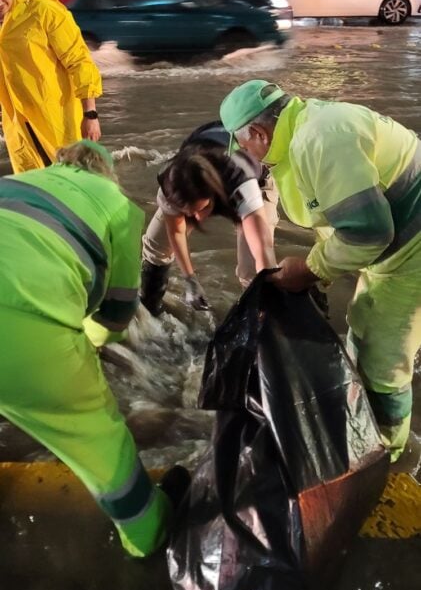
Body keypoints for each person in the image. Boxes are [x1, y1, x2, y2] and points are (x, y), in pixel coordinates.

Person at [0, 139, 186, 557]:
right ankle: (147, 534)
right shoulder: (121, 208)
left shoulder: (17, 181)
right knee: (102, 443)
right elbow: (117, 313)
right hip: (23, 329)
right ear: (107, 173)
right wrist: (88, 345)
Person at [219, 79, 421, 462]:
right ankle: (370, 434)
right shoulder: (298, 135)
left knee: (381, 358)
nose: (247, 156)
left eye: (244, 146)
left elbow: (370, 232)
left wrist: (311, 269)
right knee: (360, 331)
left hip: (412, 245)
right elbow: (338, 220)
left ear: (259, 133)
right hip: (392, 249)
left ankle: (389, 461)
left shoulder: (319, 138)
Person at [140, 121, 279, 315]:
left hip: (255, 183)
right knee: (156, 245)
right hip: (199, 174)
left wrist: (265, 286)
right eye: (187, 213)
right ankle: (149, 309)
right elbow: (176, 230)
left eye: (200, 210)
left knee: (253, 273)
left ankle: (260, 329)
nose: (196, 219)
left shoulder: (240, 180)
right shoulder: (170, 180)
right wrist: (190, 279)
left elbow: (262, 249)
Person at [0, 0, 102, 172]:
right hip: (18, 127)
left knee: (71, 181)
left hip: (56, 119)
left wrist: (90, 115)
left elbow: (79, 61)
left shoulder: (44, 11)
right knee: (34, 187)